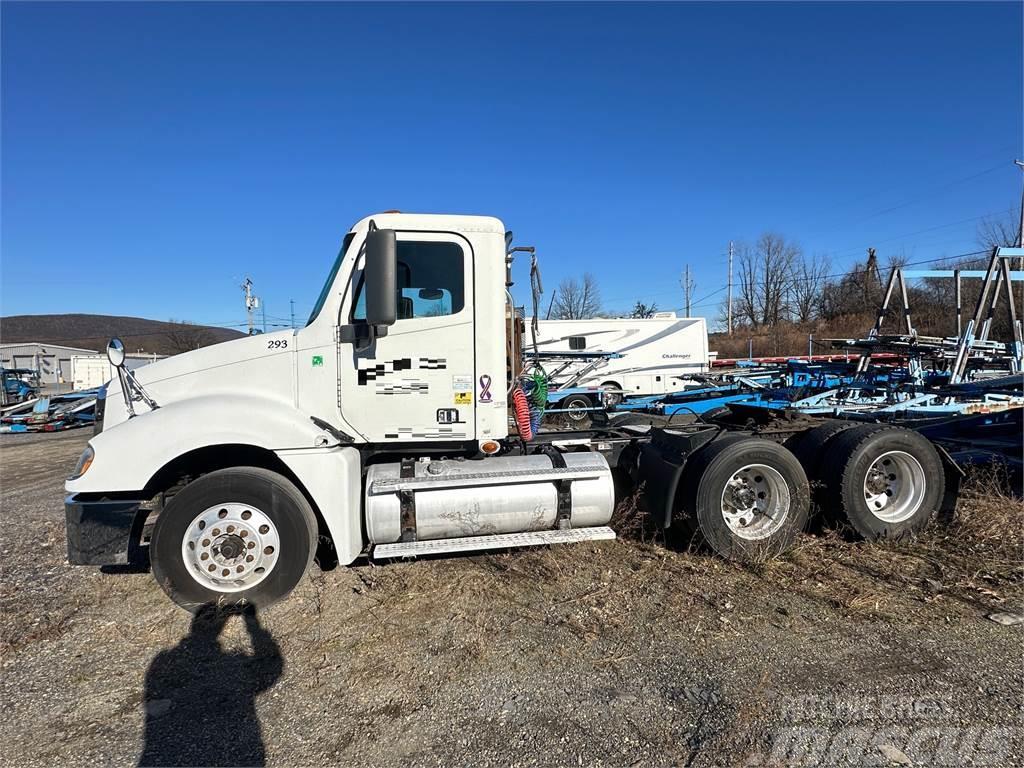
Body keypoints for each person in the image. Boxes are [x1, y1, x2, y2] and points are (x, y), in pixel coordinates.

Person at [138, 604, 283, 767]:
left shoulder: (165, 660)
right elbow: (271, 674)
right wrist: (254, 628)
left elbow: (270, 676)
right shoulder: (165, 660)